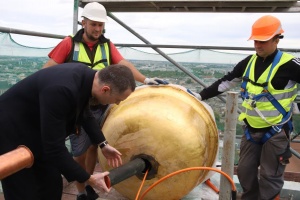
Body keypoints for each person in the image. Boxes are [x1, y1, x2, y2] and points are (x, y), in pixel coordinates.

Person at [42, 2, 168, 199]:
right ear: (83, 22)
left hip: (101, 104)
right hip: (78, 108)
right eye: (93, 24)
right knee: (79, 153)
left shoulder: (106, 45)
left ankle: (90, 181)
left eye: (101, 25)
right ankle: (81, 190)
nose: (97, 29)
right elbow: (48, 70)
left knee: (95, 145)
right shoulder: (68, 44)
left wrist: (145, 79)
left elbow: (123, 64)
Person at [190, 15, 300, 199]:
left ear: (276, 39)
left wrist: (296, 108)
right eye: (256, 40)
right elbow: (225, 83)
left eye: (263, 41)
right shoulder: (248, 62)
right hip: (251, 130)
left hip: (276, 131)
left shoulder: (289, 65)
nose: (258, 45)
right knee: (245, 172)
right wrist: (199, 96)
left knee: (269, 176)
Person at [0, 63, 136, 200]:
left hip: (37, 128)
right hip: (10, 130)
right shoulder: (62, 89)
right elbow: (54, 147)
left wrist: (103, 145)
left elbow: (85, 114)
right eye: (117, 100)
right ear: (105, 90)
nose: (117, 103)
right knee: (23, 189)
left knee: (51, 185)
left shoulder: (87, 78)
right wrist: (89, 178)